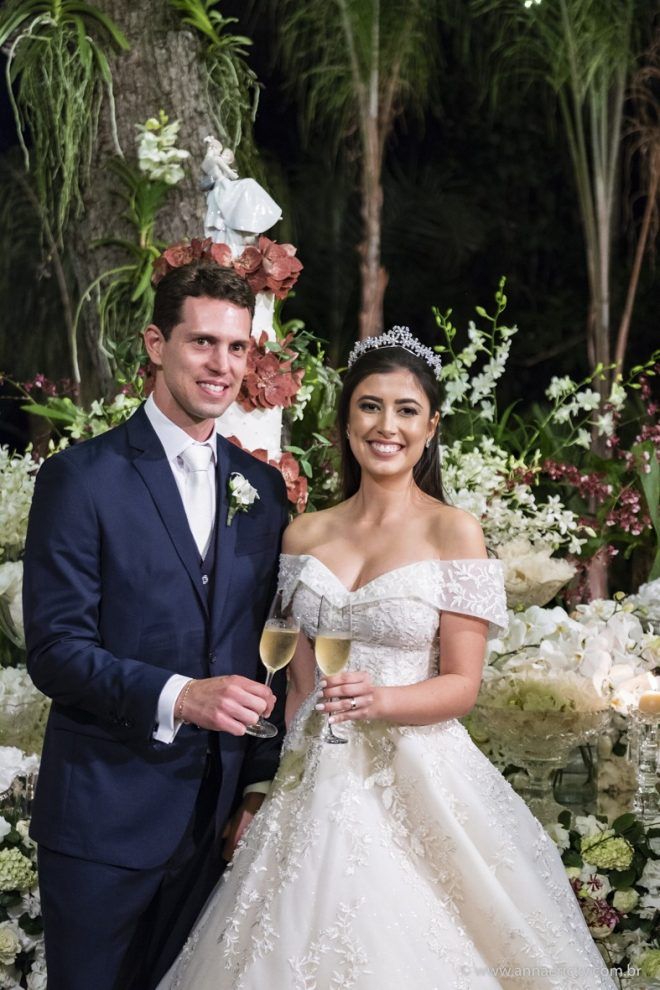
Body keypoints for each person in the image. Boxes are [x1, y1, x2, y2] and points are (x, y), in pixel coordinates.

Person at [159, 326, 617, 990]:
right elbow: (298, 689)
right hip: (314, 776)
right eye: (370, 406)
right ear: (347, 421)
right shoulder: (303, 533)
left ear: (431, 427)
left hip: (419, 770)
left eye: (406, 410)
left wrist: (384, 700)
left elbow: (462, 686)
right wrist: (265, 785)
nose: (387, 426)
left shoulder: (454, 531)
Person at [22, 261, 290, 990]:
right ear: (155, 343)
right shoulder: (82, 478)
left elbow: (268, 650)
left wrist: (257, 785)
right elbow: (56, 650)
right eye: (203, 342)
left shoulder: (263, 490)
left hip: (217, 825)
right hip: (103, 821)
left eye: (237, 348)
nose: (222, 365)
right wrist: (182, 696)